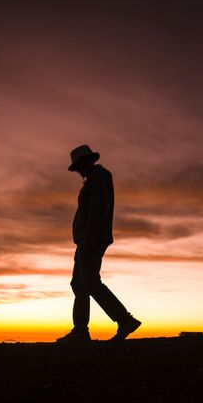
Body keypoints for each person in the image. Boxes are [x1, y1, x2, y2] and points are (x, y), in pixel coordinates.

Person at [57, 145, 141, 343]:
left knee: (91, 283)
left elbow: (98, 209)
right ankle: (80, 331)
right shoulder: (92, 179)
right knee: (79, 284)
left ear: (87, 161)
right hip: (86, 239)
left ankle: (125, 320)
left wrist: (89, 238)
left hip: (91, 239)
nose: (77, 171)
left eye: (78, 166)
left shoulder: (100, 177)